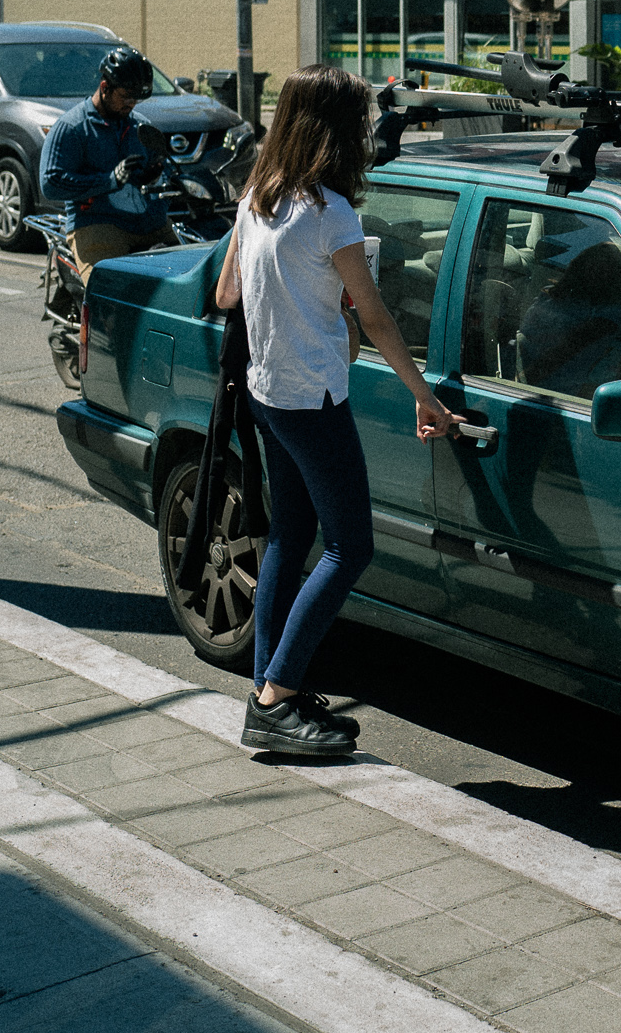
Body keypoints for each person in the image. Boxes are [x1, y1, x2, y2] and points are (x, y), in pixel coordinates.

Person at [212, 64, 456, 756]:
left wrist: (299, 299)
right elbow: (374, 317)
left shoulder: (257, 194)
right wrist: (425, 397)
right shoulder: (331, 212)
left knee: (290, 537)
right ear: (336, 129)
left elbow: (228, 295)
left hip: (268, 391)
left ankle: (270, 688)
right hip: (314, 397)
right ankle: (276, 697)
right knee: (352, 547)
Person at [39, 48, 177, 277]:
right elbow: (51, 183)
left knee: (190, 282)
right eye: (125, 97)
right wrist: (109, 180)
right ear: (105, 88)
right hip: (98, 225)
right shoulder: (72, 128)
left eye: (136, 99)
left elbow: (163, 166)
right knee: (110, 290)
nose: (131, 105)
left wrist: (155, 175)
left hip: (150, 224)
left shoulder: (140, 126)